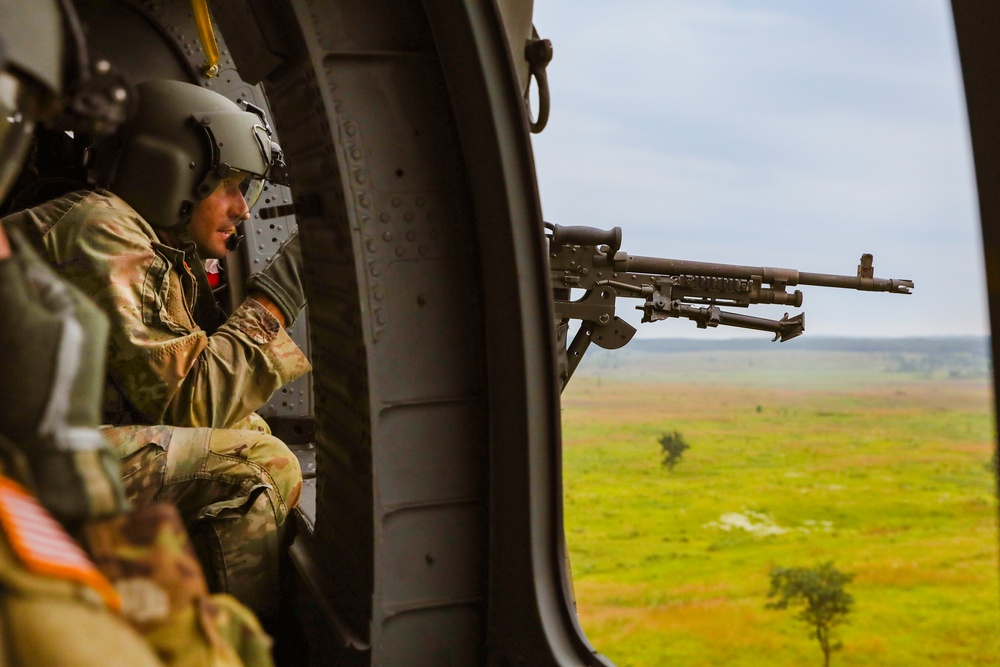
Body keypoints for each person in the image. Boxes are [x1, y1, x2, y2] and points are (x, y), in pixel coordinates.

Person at [0, 0, 274, 664]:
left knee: (255, 438)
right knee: (254, 464)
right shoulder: (103, 225)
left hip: (38, 458)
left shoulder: (156, 252)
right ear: (176, 170)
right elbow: (187, 402)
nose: (243, 209)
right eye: (230, 186)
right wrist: (276, 301)